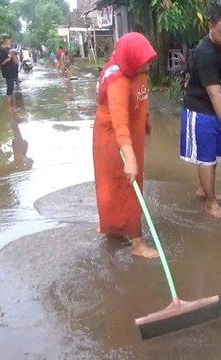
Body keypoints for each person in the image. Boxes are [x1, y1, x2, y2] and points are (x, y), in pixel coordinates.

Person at [93, 32, 159, 259]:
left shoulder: (136, 68)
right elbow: (119, 123)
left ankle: (114, 229)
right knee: (125, 186)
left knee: (126, 184)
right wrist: (129, 158)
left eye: (149, 63)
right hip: (113, 139)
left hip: (132, 133)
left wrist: (146, 119)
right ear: (131, 59)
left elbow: (142, 98)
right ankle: (137, 243)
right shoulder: (118, 81)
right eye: (145, 65)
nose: (148, 69)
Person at [180, 4, 221, 219]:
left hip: (217, 111)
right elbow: (214, 94)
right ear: (211, 27)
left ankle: (204, 189)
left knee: (215, 155)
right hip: (201, 111)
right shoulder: (205, 52)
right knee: (207, 158)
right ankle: (211, 202)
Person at [0, 35, 20, 108]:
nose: (11, 42)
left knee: (12, 87)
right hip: (7, 70)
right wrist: (10, 56)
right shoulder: (1, 49)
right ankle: (9, 107)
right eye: (10, 40)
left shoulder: (10, 48)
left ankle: (12, 106)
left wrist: (14, 56)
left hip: (13, 70)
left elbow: (16, 62)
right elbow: (3, 62)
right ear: (6, 40)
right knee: (10, 87)